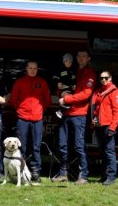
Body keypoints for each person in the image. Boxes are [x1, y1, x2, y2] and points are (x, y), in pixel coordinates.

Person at [51, 49, 96, 185]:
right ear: (76, 58)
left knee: (78, 145)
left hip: (79, 114)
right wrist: (61, 94)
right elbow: (60, 88)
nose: (81, 58)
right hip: (66, 113)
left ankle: (84, 176)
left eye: (84, 57)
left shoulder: (90, 73)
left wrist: (67, 99)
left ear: (88, 59)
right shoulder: (72, 71)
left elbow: (86, 94)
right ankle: (63, 173)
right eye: (79, 56)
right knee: (62, 144)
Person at [10, 61, 52, 183]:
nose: (32, 70)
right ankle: (21, 171)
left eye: (35, 68)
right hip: (22, 119)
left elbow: (47, 100)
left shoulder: (42, 82)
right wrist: (20, 110)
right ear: (26, 69)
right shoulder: (20, 82)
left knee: (36, 147)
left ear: (37, 69)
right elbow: (13, 99)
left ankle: (35, 172)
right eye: (30, 68)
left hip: (37, 119)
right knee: (21, 147)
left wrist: (39, 110)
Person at [91, 71, 118, 186]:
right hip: (99, 126)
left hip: (108, 125)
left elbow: (117, 111)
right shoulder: (98, 91)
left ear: (110, 78)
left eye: (106, 78)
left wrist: (113, 127)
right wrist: (93, 120)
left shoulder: (114, 91)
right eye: (101, 78)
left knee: (109, 151)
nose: (103, 80)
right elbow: (95, 108)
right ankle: (104, 175)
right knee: (102, 152)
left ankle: (111, 176)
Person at [53, 53, 76, 119]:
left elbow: (74, 79)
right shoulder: (60, 69)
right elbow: (55, 78)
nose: (68, 63)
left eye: (70, 62)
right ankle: (60, 110)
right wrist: (57, 83)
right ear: (63, 62)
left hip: (70, 89)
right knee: (66, 97)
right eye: (66, 61)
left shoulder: (73, 71)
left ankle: (61, 111)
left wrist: (74, 84)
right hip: (62, 89)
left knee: (70, 100)